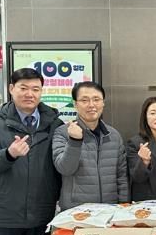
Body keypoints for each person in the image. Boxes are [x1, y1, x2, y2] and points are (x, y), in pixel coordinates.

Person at [0, 68, 63, 235]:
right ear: (11, 89)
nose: (29, 94)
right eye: (23, 88)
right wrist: (9, 154)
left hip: (42, 214)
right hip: (7, 216)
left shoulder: (54, 125)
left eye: (35, 89)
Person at [52, 82, 128, 210]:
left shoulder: (113, 135)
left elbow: (121, 176)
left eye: (96, 99)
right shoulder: (63, 132)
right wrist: (74, 141)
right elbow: (64, 169)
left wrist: (124, 205)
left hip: (110, 209)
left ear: (103, 103)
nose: (91, 105)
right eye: (84, 100)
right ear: (75, 104)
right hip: (76, 211)